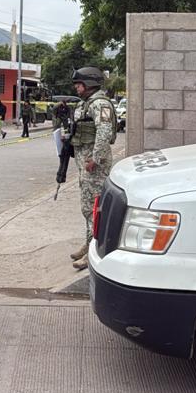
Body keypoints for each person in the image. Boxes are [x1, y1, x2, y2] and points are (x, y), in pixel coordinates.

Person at [69, 66, 116, 270]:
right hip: (86, 164)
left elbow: (104, 132)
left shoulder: (100, 104)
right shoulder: (86, 103)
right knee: (88, 207)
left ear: (89, 84)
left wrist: (95, 159)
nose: (77, 88)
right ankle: (89, 243)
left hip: (94, 166)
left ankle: (94, 251)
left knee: (94, 209)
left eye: (79, 84)